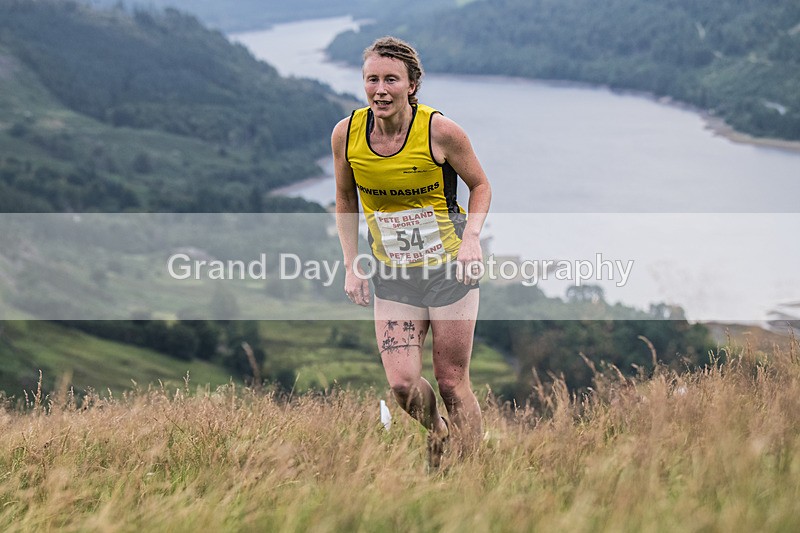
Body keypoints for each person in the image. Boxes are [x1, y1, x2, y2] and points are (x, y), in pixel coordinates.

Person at [331, 36, 491, 469]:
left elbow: (480, 185)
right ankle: (438, 434)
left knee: (452, 382)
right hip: (393, 273)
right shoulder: (347, 135)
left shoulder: (440, 131)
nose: (380, 90)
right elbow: (345, 200)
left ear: (412, 84)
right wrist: (351, 265)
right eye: (372, 80)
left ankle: (473, 470)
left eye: (391, 80)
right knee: (402, 385)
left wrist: (472, 237)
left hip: (449, 270)